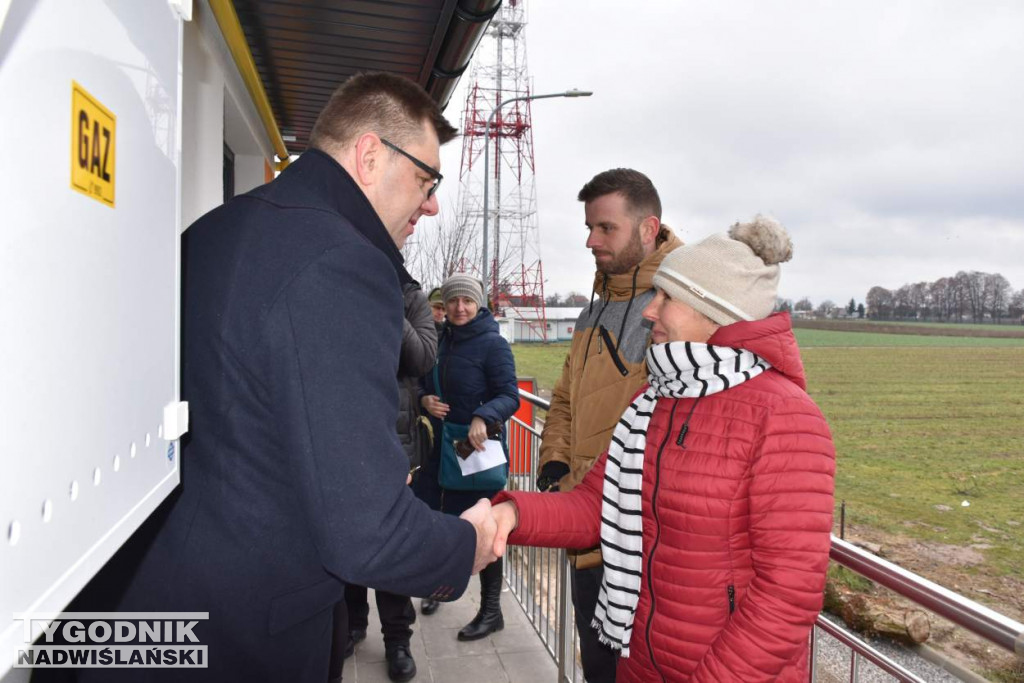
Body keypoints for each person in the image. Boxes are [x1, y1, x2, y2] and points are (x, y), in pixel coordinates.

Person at [80, 72, 498, 682]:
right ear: (370, 154)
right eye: (426, 180)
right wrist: (466, 547)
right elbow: (367, 530)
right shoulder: (343, 265)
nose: (432, 203)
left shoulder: (214, 230)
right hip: (240, 633)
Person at [491, 217, 836, 682]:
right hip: (640, 661)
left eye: (666, 298)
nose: (649, 312)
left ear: (714, 310)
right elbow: (597, 504)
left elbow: (788, 594)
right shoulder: (655, 400)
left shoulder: (785, 417)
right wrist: (508, 516)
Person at [535, 168, 681, 681]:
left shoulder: (677, 312)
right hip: (586, 535)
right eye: (589, 227)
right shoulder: (590, 312)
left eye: (605, 228)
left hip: (644, 544)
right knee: (597, 666)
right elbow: (564, 397)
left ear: (648, 228)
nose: (591, 240)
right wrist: (554, 458)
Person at [334, 279, 438, 682]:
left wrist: (388, 303)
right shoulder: (344, 284)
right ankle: (353, 624)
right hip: (345, 435)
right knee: (349, 540)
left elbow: (423, 358)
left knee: (392, 547)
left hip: (396, 443)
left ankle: (398, 639)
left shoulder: (411, 298)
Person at [414, 274, 520, 639]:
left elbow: (510, 395)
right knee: (439, 523)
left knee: (485, 531)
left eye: (468, 301)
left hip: (474, 453)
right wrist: (423, 399)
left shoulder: (493, 344)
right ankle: (440, 587)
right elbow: (422, 383)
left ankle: (491, 611)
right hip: (437, 450)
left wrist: (483, 415)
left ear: (479, 304)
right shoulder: (440, 339)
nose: (460, 308)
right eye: (454, 300)